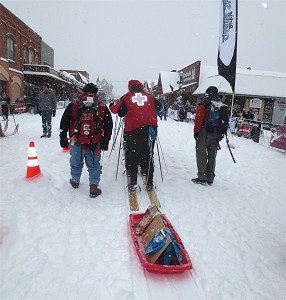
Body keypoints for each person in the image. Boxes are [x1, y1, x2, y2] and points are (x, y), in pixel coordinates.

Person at [59, 83, 113, 198]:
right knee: (94, 165)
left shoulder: (75, 104)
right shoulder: (101, 106)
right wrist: (105, 141)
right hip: (94, 141)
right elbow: (109, 124)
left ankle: (75, 180)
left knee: (75, 161)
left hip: (77, 140)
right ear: (96, 92)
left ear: (83, 91)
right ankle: (93, 186)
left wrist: (63, 138)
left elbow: (64, 122)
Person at [110, 79, 163, 191]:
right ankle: (149, 180)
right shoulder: (150, 97)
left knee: (133, 153)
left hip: (134, 128)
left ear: (130, 87)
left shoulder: (128, 97)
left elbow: (119, 112)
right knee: (148, 153)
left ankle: (133, 181)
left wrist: (112, 106)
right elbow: (161, 108)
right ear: (141, 87)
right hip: (151, 128)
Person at [192, 86, 223, 186]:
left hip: (204, 131)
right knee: (212, 155)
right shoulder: (220, 103)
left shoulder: (204, 102)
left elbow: (199, 118)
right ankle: (210, 177)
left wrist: (196, 131)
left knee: (201, 153)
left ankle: (202, 177)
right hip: (216, 132)